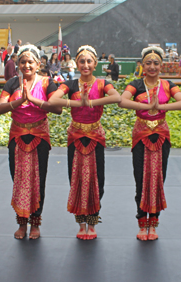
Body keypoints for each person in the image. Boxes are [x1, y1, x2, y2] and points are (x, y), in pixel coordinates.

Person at [49, 45, 121, 240]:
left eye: (89, 61)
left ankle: (93, 220)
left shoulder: (102, 83)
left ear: (95, 64)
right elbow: (53, 99)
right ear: (76, 64)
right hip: (76, 137)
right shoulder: (71, 84)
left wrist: (91, 102)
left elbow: (117, 97)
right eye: (82, 61)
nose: (86, 65)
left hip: (95, 136)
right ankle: (81, 223)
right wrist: (76, 103)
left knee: (98, 180)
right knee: (76, 179)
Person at [119, 46, 181, 241]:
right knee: (141, 178)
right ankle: (142, 222)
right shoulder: (136, 84)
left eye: (156, 63)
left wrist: (161, 107)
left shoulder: (167, 84)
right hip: (141, 134)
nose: (152, 67)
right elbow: (122, 101)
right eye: (148, 63)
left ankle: (154, 222)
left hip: (160, 135)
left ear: (161, 65)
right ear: (142, 65)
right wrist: (145, 106)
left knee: (158, 178)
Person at [0, 45, 62, 240]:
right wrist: (18, 102)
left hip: (39, 137)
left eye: (30, 62)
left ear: (38, 64)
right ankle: (21, 223)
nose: (26, 65)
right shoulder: (12, 83)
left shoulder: (47, 82)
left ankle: (35, 222)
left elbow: (57, 109)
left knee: (38, 179)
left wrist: (32, 99)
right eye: (23, 62)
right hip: (17, 136)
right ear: (18, 65)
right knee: (18, 180)